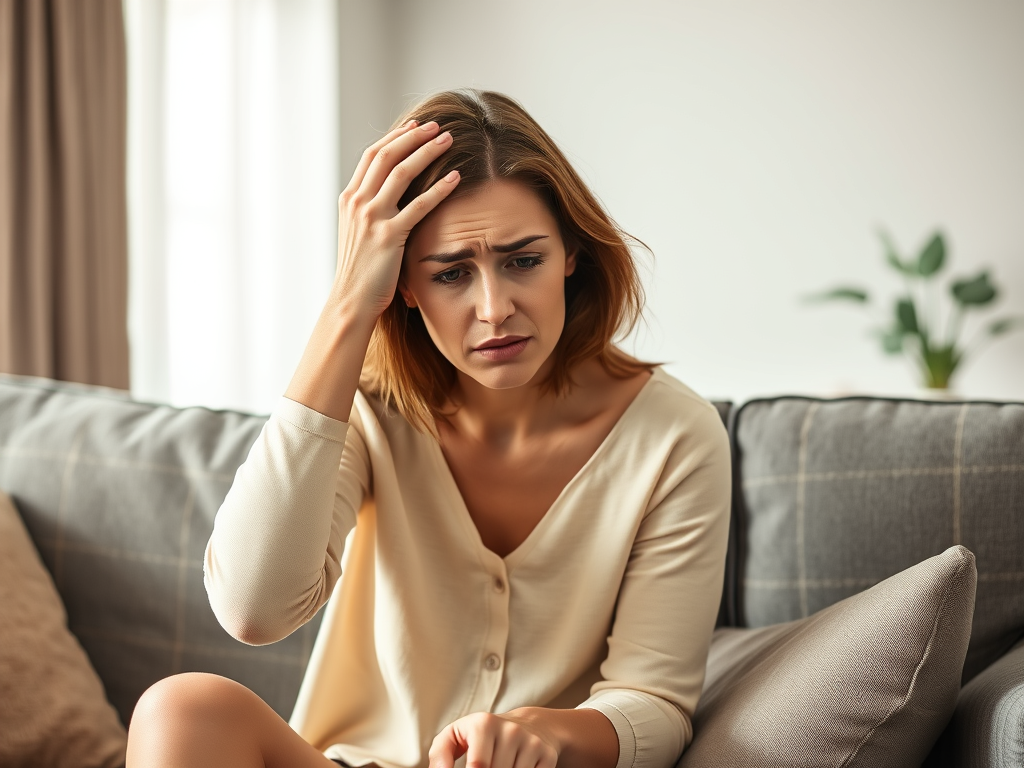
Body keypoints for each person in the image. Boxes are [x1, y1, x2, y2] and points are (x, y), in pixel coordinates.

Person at [125, 89, 731, 768]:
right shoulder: (364, 410)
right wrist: (349, 304)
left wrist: (545, 732)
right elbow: (253, 609)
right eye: (451, 274)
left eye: (523, 260)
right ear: (404, 286)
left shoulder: (675, 435)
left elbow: (656, 701)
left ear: (571, 254)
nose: (495, 308)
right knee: (182, 710)